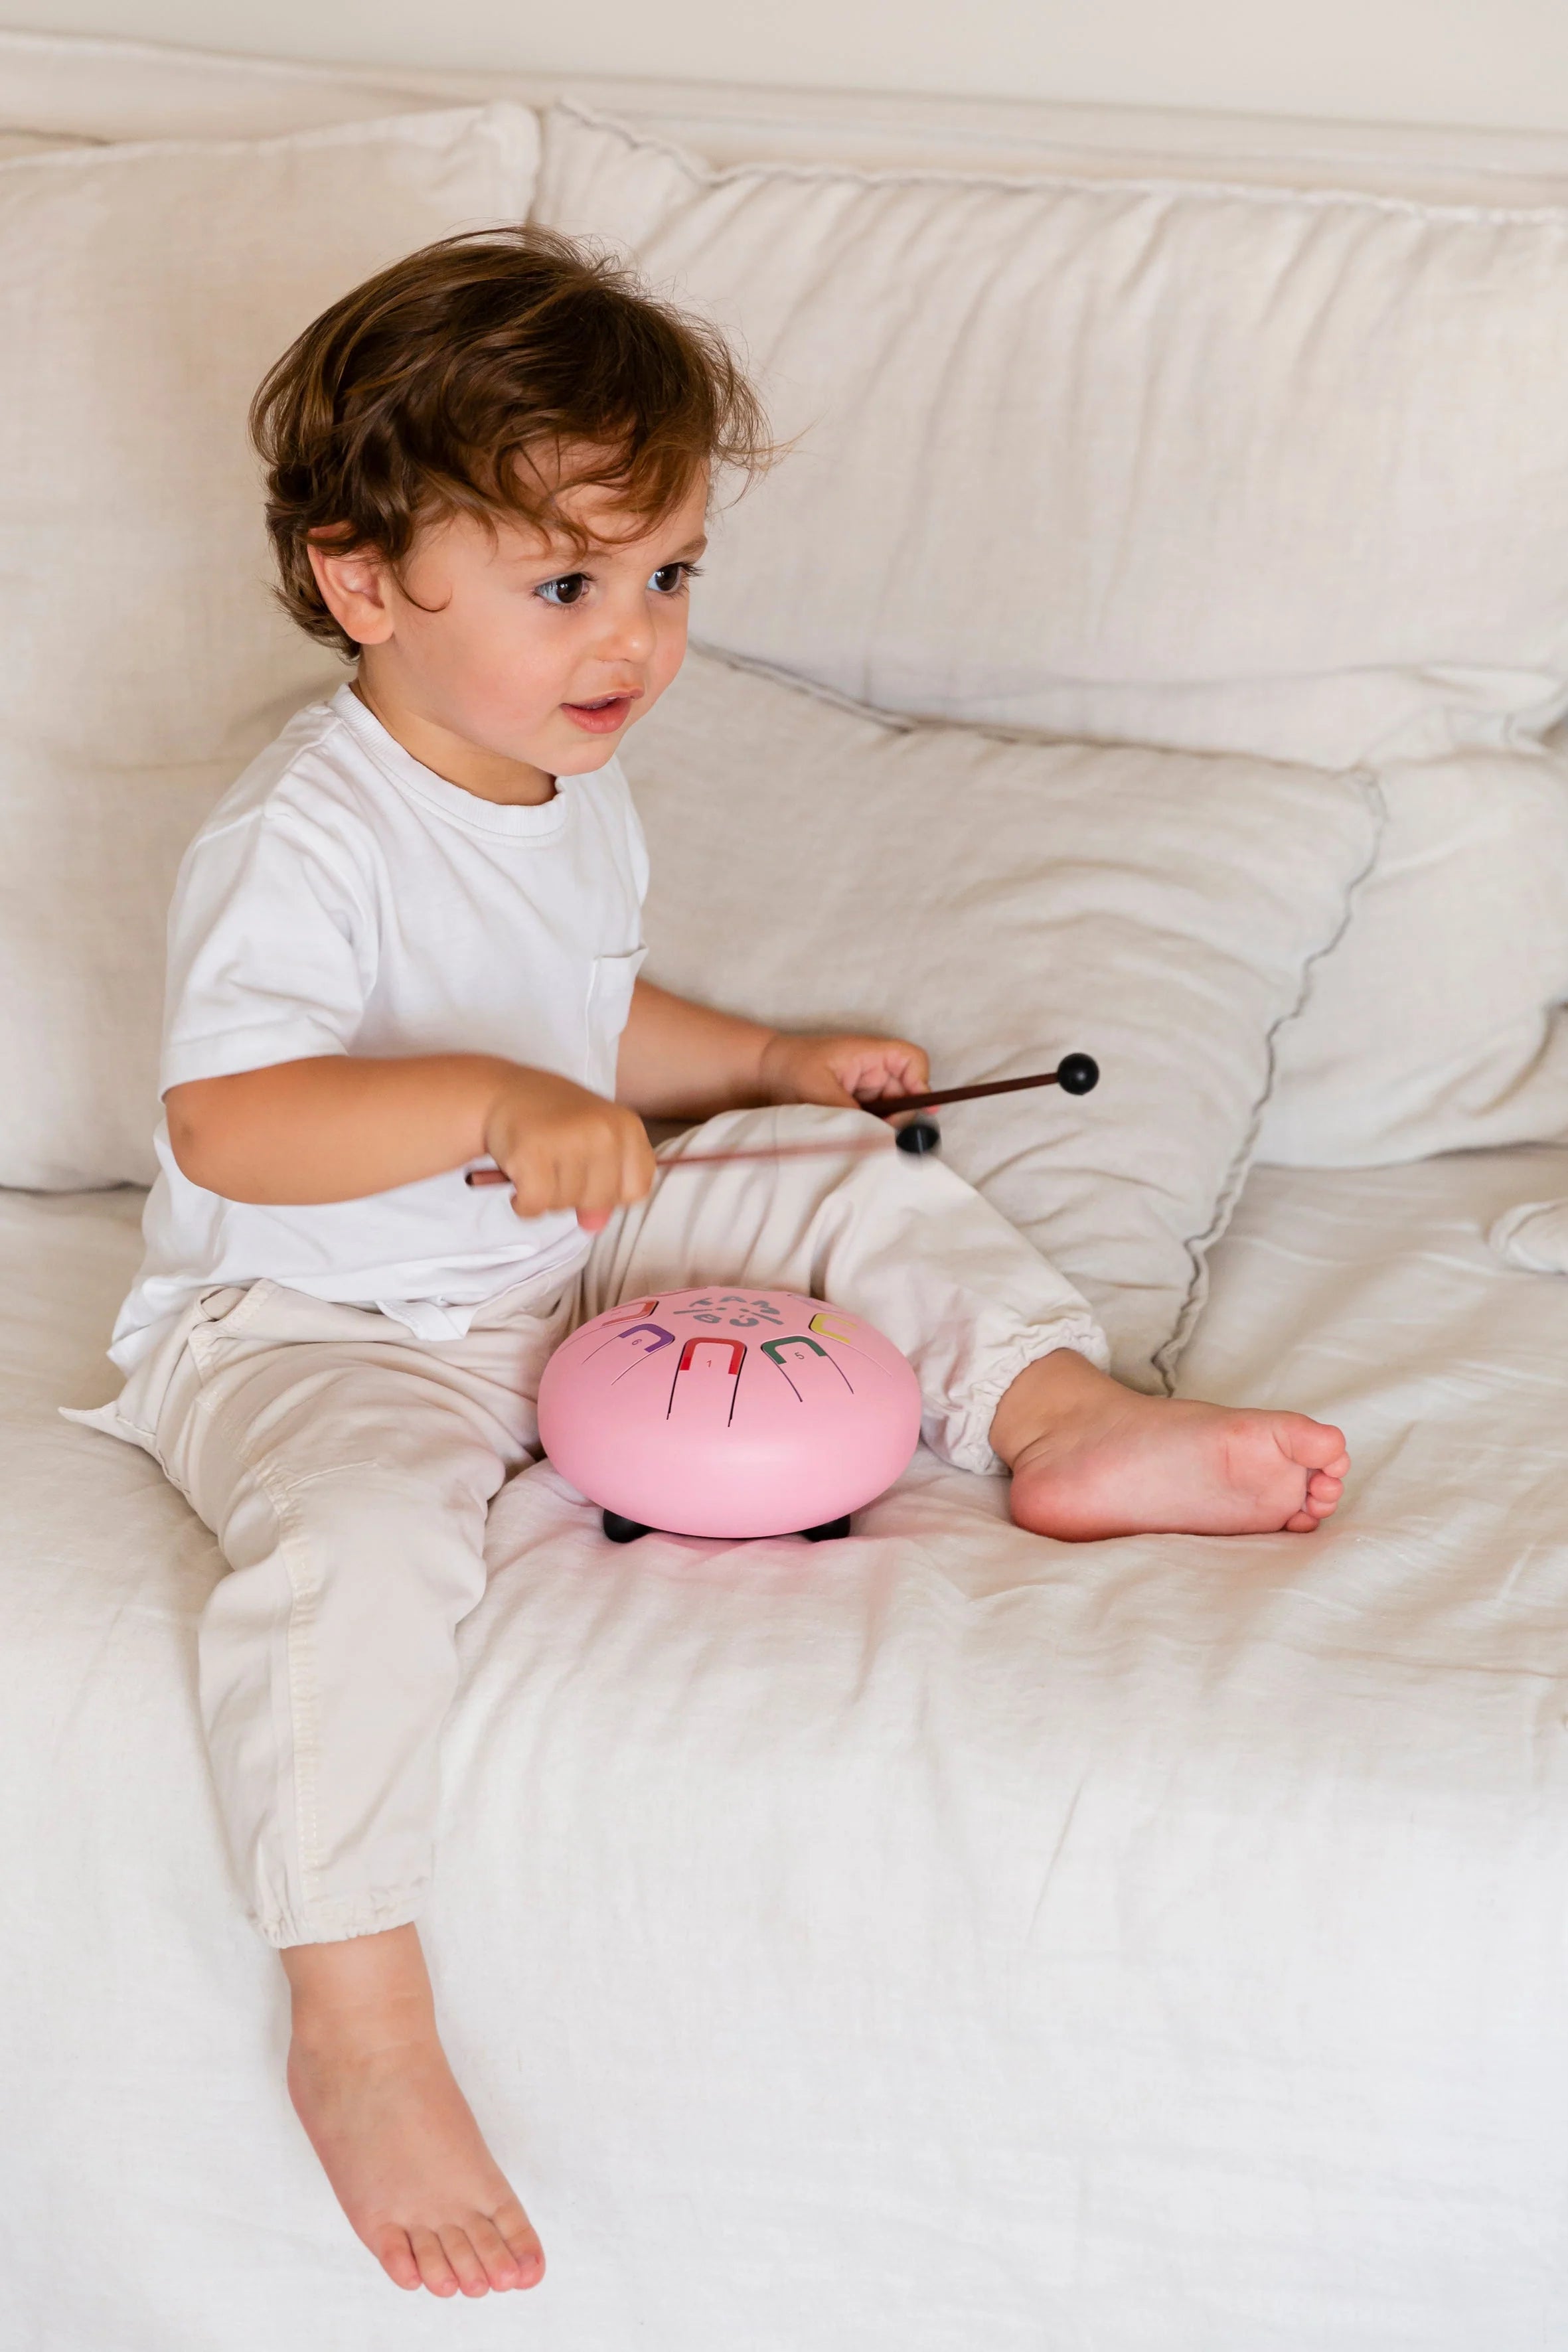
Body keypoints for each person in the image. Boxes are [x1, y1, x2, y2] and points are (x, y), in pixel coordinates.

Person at [77, 228, 1350, 2302]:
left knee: (830, 1181)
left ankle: (1063, 1419)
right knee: (353, 1556)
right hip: (319, 1318)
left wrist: (757, 1063)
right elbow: (231, 1122)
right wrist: (497, 1105)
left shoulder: (561, 778)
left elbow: (584, 1012)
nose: (636, 640)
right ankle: (361, 2019)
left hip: (543, 1253)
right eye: (567, 586)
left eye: (668, 575)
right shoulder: (302, 833)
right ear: (363, 582)